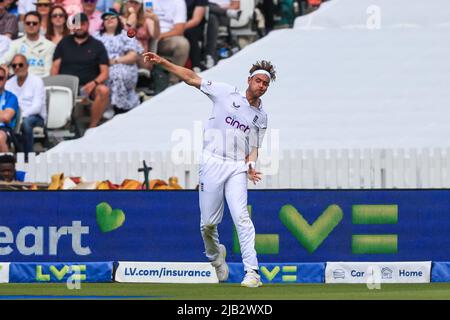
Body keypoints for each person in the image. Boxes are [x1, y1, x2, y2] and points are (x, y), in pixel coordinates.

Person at [143, 51, 276, 288]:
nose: (262, 86)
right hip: (212, 161)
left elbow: (254, 148)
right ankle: (216, 257)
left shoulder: (261, 117)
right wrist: (163, 62)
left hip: (236, 166)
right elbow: (192, 78)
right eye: (259, 81)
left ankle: (252, 272)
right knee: (207, 224)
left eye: (266, 83)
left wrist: (250, 165)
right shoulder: (225, 92)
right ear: (249, 79)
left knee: (241, 217)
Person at [51, 12, 109, 128]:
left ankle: (92, 128)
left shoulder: (97, 45)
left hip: (88, 87)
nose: (79, 27)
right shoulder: (64, 43)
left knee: (103, 90)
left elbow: (105, 73)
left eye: (82, 24)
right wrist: (55, 85)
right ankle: (59, 126)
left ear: (87, 25)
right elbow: (55, 67)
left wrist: (94, 83)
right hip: (66, 86)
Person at [95, 8, 143, 113]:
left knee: (117, 73)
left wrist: (115, 61)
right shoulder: (97, 36)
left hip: (125, 65)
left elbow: (133, 56)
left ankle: (118, 107)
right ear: (103, 22)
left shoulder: (126, 34)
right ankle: (109, 106)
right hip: (102, 66)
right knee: (108, 73)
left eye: (112, 17)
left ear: (118, 20)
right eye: (106, 18)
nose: (109, 20)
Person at [6, 54, 46, 156]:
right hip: (15, 115)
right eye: (14, 66)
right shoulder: (9, 83)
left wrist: (20, 116)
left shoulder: (37, 81)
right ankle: (18, 154)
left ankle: (29, 157)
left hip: (35, 117)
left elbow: (37, 107)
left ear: (27, 66)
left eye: (20, 64)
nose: (17, 67)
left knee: (26, 124)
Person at [0, 11, 56, 77]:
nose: (31, 25)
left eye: (34, 23)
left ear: (40, 25)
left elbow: (48, 72)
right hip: (16, 82)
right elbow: (3, 61)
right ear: (24, 24)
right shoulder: (15, 44)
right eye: (28, 23)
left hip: (40, 82)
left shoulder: (50, 46)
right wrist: (4, 68)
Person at [152, 0, 189, 84]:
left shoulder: (178, 2)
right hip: (147, 35)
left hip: (166, 39)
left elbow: (179, 30)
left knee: (183, 44)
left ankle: (173, 82)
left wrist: (159, 36)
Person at [204, 0, 241, 69]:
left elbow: (236, 5)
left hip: (222, 16)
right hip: (204, 14)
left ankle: (210, 54)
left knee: (212, 15)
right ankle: (210, 55)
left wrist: (218, 9)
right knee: (208, 8)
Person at [184, 0, 208, 73]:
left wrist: (179, 28)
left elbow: (196, 20)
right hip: (173, 25)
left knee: (190, 33)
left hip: (192, 25)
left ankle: (196, 65)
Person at [0, 66, 19, 152]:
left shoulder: (11, 97)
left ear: (5, 80)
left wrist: (4, 115)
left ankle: (5, 164)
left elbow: (6, 118)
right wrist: (2, 112)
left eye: (1, 78)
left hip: (3, 129)